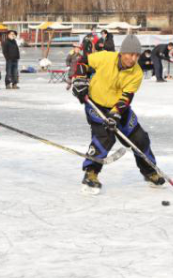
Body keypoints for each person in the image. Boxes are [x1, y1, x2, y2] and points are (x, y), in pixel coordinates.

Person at [70, 35, 164, 194]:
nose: (132, 58)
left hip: (120, 107)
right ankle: (91, 173)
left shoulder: (137, 73)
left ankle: (150, 171)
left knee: (140, 138)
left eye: (136, 55)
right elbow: (83, 61)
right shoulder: (105, 57)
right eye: (129, 54)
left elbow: (126, 97)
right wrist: (79, 79)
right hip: (96, 103)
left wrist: (115, 115)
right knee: (105, 136)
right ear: (122, 53)